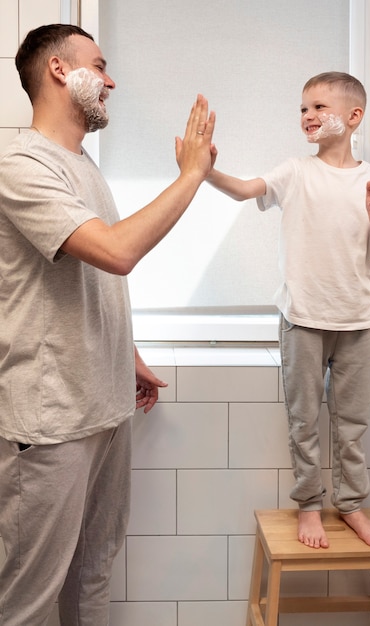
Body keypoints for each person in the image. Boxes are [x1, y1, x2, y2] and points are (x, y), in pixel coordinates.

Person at [0, 23, 216, 626]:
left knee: (92, 574)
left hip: (105, 403)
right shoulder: (20, 165)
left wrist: (130, 358)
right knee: (30, 599)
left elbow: (94, 279)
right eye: (100, 63)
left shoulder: (82, 166)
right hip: (51, 421)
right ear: (59, 71)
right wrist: (191, 175)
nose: (113, 78)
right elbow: (118, 251)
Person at [206, 72, 370, 549]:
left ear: (354, 117)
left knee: (352, 425)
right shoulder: (295, 171)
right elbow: (244, 189)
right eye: (303, 109)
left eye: (318, 107)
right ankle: (310, 506)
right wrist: (203, 171)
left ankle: (352, 505)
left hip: (359, 323)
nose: (308, 117)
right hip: (303, 320)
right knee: (304, 420)